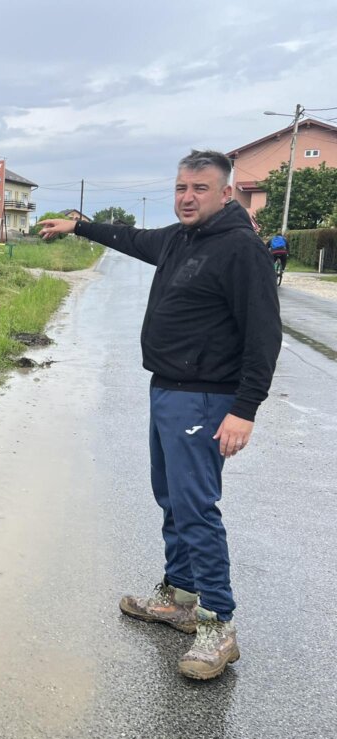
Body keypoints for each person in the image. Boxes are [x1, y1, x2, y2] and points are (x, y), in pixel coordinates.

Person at [38, 150, 282, 681]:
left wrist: (245, 409)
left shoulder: (242, 250)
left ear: (225, 193)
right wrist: (79, 226)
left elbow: (264, 335)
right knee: (170, 496)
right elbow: (130, 239)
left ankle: (219, 624)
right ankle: (179, 596)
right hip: (167, 391)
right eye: (180, 188)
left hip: (206, 399)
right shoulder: (179, 239)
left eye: (199, 188)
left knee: (196, 506)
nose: (187, 197)